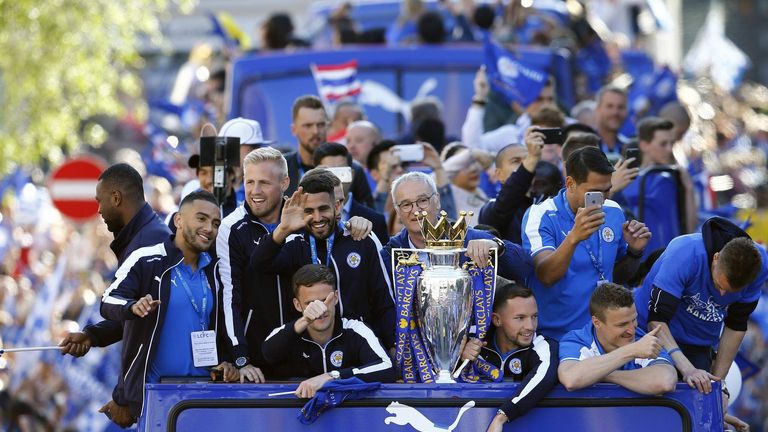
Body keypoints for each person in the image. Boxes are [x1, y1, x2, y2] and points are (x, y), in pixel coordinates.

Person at [100, 190, 236, 424]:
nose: (209, 228)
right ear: (178, 220)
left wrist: (227, 361)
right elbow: (109, 299)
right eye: (201, 219)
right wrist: (133, 307)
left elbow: (224, 326)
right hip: (157, 398)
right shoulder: (146, 258)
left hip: (205, 397)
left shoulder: (216, 270)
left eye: (215, 223)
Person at [58, 163, 171, 427]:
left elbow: (146, 327)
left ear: (116, 198)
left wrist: (124, 397)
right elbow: (134, 313)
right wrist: (92, 335)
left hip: (159, 388)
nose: (98, 211)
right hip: (156, 388)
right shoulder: (142, 236)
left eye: (100, 202)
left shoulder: (149, 243)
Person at [250, 168, 396, 350]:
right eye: (309, 210)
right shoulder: (294, 243)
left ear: (336, 207)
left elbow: (384, 300)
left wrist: (393, 346)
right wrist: (283, 229)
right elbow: (258, 264)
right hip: (307, 349)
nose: (317, 217)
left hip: (358, 347)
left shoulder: (362, 240)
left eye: (323, 209)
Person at [521, 147, 651, 339]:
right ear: (570, 183)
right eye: (594, 192)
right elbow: (546, 275)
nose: (603, 199)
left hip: (605, 334)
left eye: (607, 190)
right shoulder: (541, 215)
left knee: (663, 366)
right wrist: (574, 237)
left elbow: (618, 275)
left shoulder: (613, 211)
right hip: (557, 336)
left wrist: (634, 251)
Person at [635, 217, 767, 404]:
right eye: (719, 285)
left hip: (698, 343)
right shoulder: (685, 253)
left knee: (703, 404)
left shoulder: (760, 266)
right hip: (648, 334)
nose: (721, 294)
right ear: (715, 258)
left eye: (730, 292)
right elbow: (656, 320)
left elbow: (735, 326)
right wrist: (687, 369)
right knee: (658, 393)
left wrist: (718, 386)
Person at [216, 147, 298, 384]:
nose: (255, 191)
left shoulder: (302, 219)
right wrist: (240, 357)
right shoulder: (232, 227)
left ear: (284, 182)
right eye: (249, 181)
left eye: (264, 182)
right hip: (255, 362)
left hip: (304, 356)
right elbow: (230, 298)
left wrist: (354, 223)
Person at [262, 264, 396, 398]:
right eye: (310, 303)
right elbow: (268, 354)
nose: (320, 309)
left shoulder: (355, 328)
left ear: (336, 297)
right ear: (297, 305)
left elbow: (387, 368)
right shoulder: (290, 331)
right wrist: (305, 320)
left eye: (324, 300)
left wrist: (332, 376)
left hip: (349, 414)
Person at [381, 171, 532, 284]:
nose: (416, 210)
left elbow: (526, 267)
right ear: (397, 211)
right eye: (406, 204)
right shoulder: (390, 255)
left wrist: (498, 248)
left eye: (422, 200)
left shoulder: (467, 238)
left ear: (437, 202)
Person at [459, 283, 558, 431]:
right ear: (496, 320)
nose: (530, 326)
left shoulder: (543, 345)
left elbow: (546, 377)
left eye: (534, 317)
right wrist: (459, 357)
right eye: (520, 318)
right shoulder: (472, 338)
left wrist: (502, 417)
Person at [558, 283, 677, 395]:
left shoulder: (645, 340)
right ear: (597, 322)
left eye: (634, 320)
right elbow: (571, 379)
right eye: (622, 324)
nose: (632, 330)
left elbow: (665, 382)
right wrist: (632, 351)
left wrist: (602, 375)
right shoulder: (577, 340)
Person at [285, 95, 374, 206]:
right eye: (308, 126)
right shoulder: (282, 169)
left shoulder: (352, 169)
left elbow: (370, 216)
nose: (315, 131)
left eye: (321, 124)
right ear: (294, 130)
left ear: (328, 126)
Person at [313, 142, 389, 244]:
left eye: (341, 172)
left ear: (351, 174)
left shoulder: (375, 220)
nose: (334, 178)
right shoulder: (304, 216)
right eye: (328, 172)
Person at [478, 127, 544, 244]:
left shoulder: (545, 203)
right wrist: (532, 158)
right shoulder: (490, 208)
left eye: (527, 160)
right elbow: (509, 196)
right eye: (516, 161)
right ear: (499, 174)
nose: (526, 165)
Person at [593, 85, 629, 158]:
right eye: (609, 106)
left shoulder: (631, 148)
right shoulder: (584, 146)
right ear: (598, 109)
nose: (615, 112)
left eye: (620, 107)